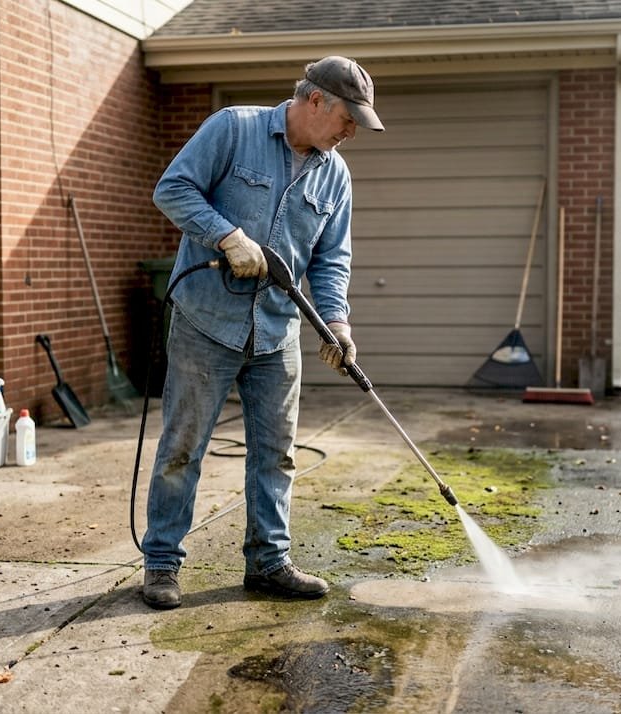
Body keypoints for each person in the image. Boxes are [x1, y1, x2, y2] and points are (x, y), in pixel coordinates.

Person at [141, 56, 384, 609]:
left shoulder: (335, 175)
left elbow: (330, 260)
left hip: (276, 331)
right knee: (183, 447)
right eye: (349, 118)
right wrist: (226, 235)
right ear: (316, 100)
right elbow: (172, 189)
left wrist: (337, 322)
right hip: (205, 323)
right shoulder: (234, 128)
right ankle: (161, 563)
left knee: (276, 454)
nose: (351, 132)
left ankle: (268, 562)